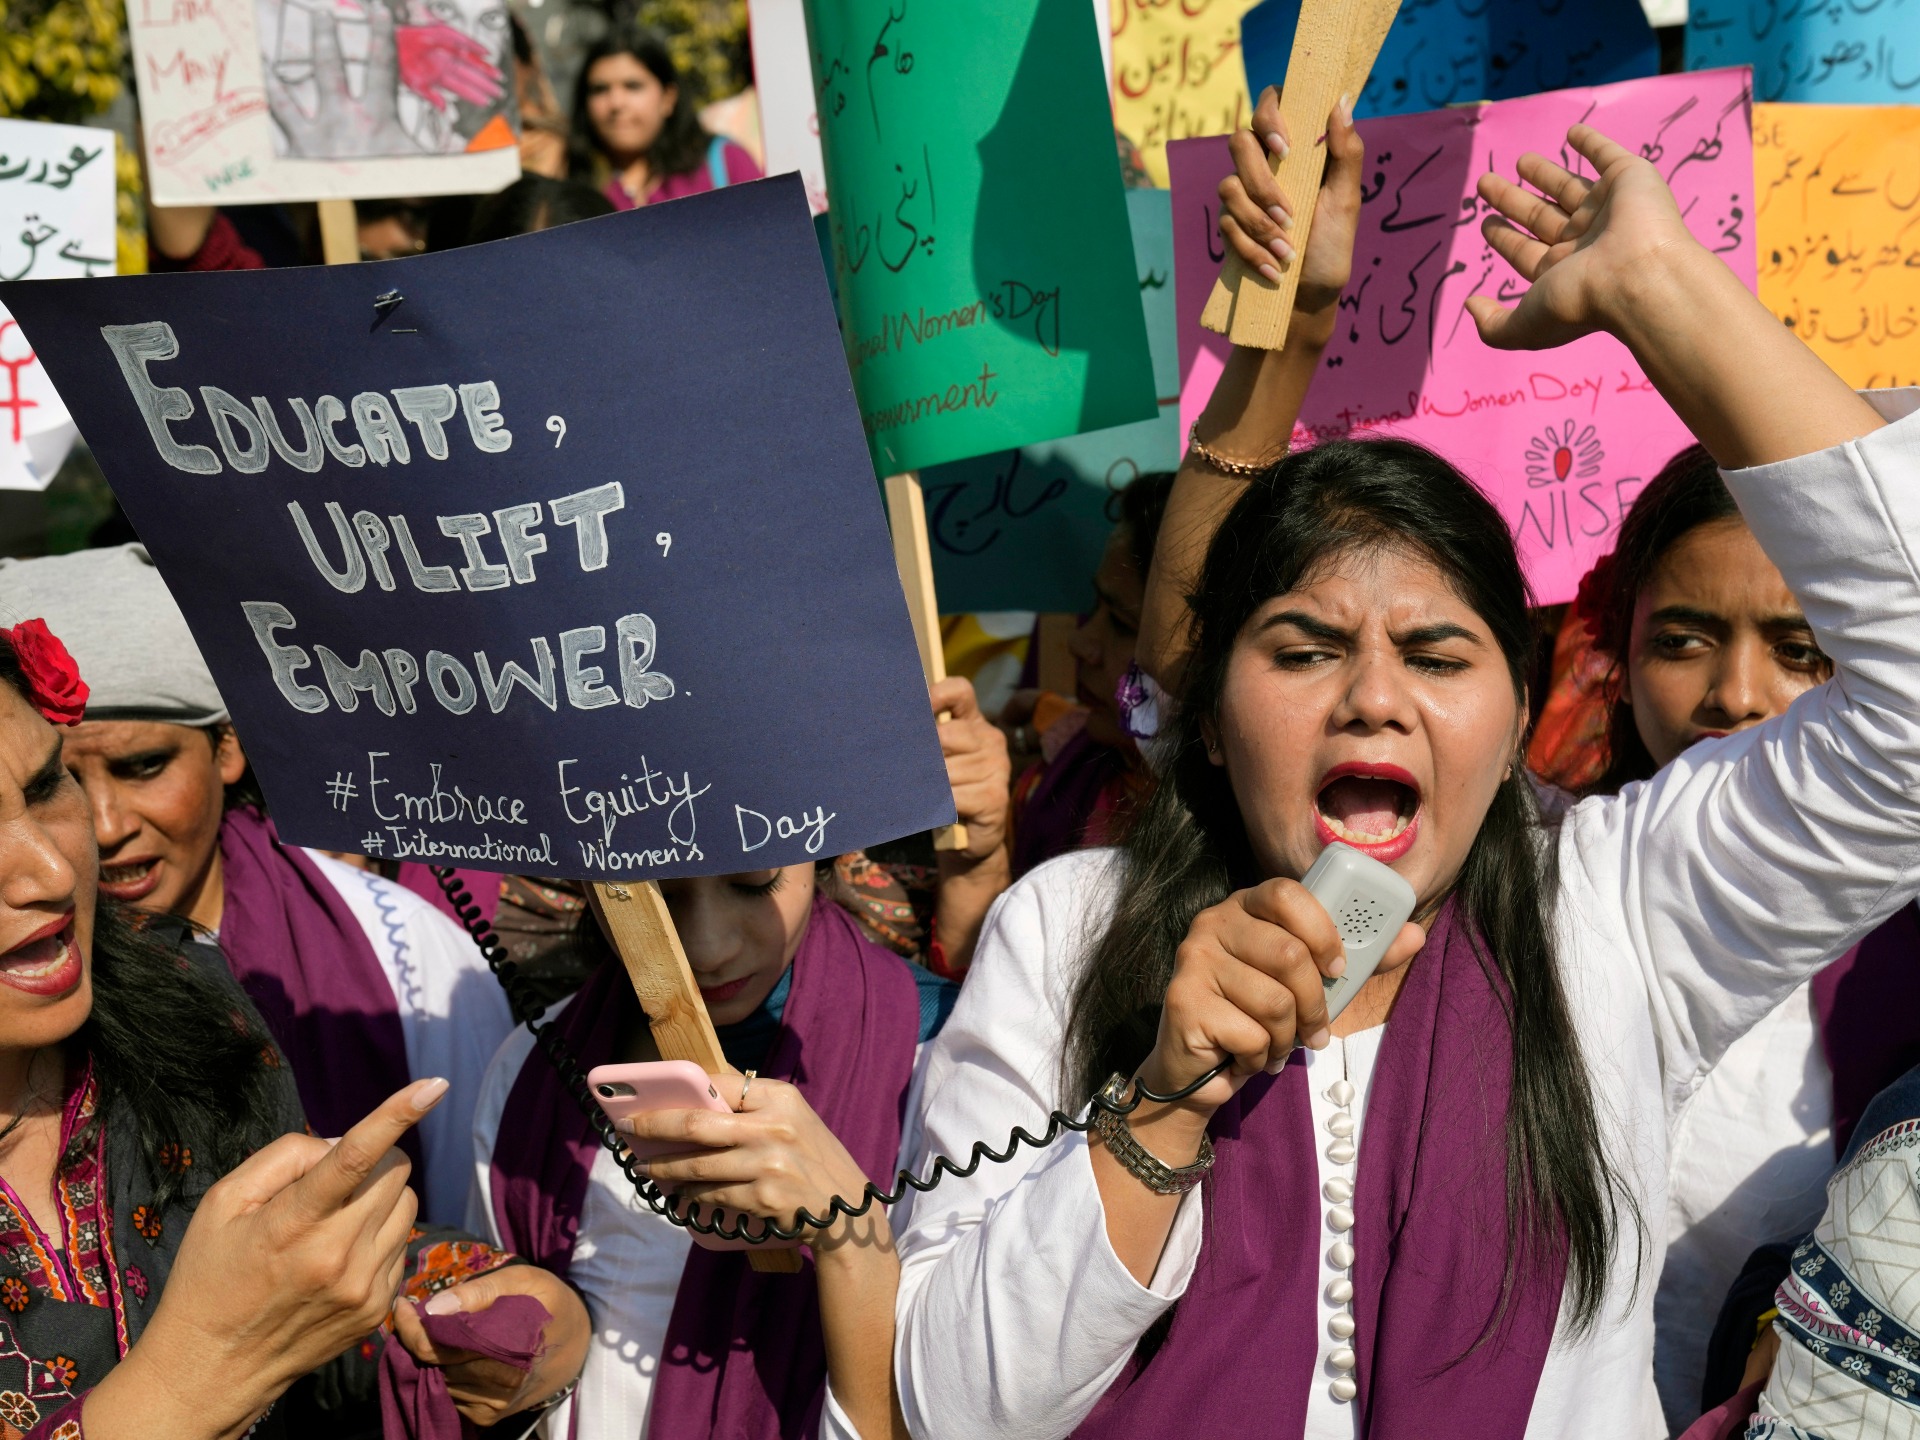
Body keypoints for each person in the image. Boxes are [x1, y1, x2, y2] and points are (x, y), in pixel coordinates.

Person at [889, 84, 1915, 1439]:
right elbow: (949, 1408)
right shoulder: (1070, 933)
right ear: (1208, 711)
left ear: (1520, 716)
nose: (1375, 701)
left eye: (1439, 660)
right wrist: (1164, 1100)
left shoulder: (1612, 916)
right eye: (1306, 651)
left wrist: (1664, 290)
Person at [0, 614, 587, 1435]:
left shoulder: (186, 1002)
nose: (58, 866)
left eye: (39, 787)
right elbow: (244, 1333)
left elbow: (306, 1275)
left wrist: (490, 1304)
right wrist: (200, 1369)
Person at [470, 678, 1010, 1438]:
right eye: (655, 893)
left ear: (825, 855)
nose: (710, 945)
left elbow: (973, 1397)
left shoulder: (942, 1059)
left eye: (753, 882)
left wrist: (846, 1226)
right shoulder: (531, 1074)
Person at [1549, 444, 1920, 1427]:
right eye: (1683, 640)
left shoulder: (1903, 969)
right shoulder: (1531, 878)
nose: (1737, 694)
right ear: (1616, 659)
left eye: (1801, 651)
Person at [0, 544, 513, 1227]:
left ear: (229, 748)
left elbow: (481, 1222)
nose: (103, 826)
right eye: (61, 781)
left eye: (144, 766)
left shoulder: (405, 952)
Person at [1003, 472, 1174, 879]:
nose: (1081, 642)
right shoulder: (1062, 771)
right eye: (1093, 608)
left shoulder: (1255, 848)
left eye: (1119, 622)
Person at [568, 25, 762, 211]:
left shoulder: (723, 162)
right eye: (600, 89)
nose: (616, 103)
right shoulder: (573, 188)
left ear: (668, 98)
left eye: (632, 86)